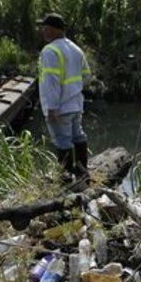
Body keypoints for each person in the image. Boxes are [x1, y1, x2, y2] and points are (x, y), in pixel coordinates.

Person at [37, 12, 92, 184]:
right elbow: (86, 75)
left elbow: (50, 82)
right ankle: (83, 173)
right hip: (76, 104)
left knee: (62, 141)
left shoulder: (50, 51)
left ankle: (66, 180)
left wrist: (51, 107)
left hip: (59, 106)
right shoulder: (76, 48)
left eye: (45, 28)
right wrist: (74, 91)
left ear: (54, 30)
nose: (43, 32)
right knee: (78, 136)